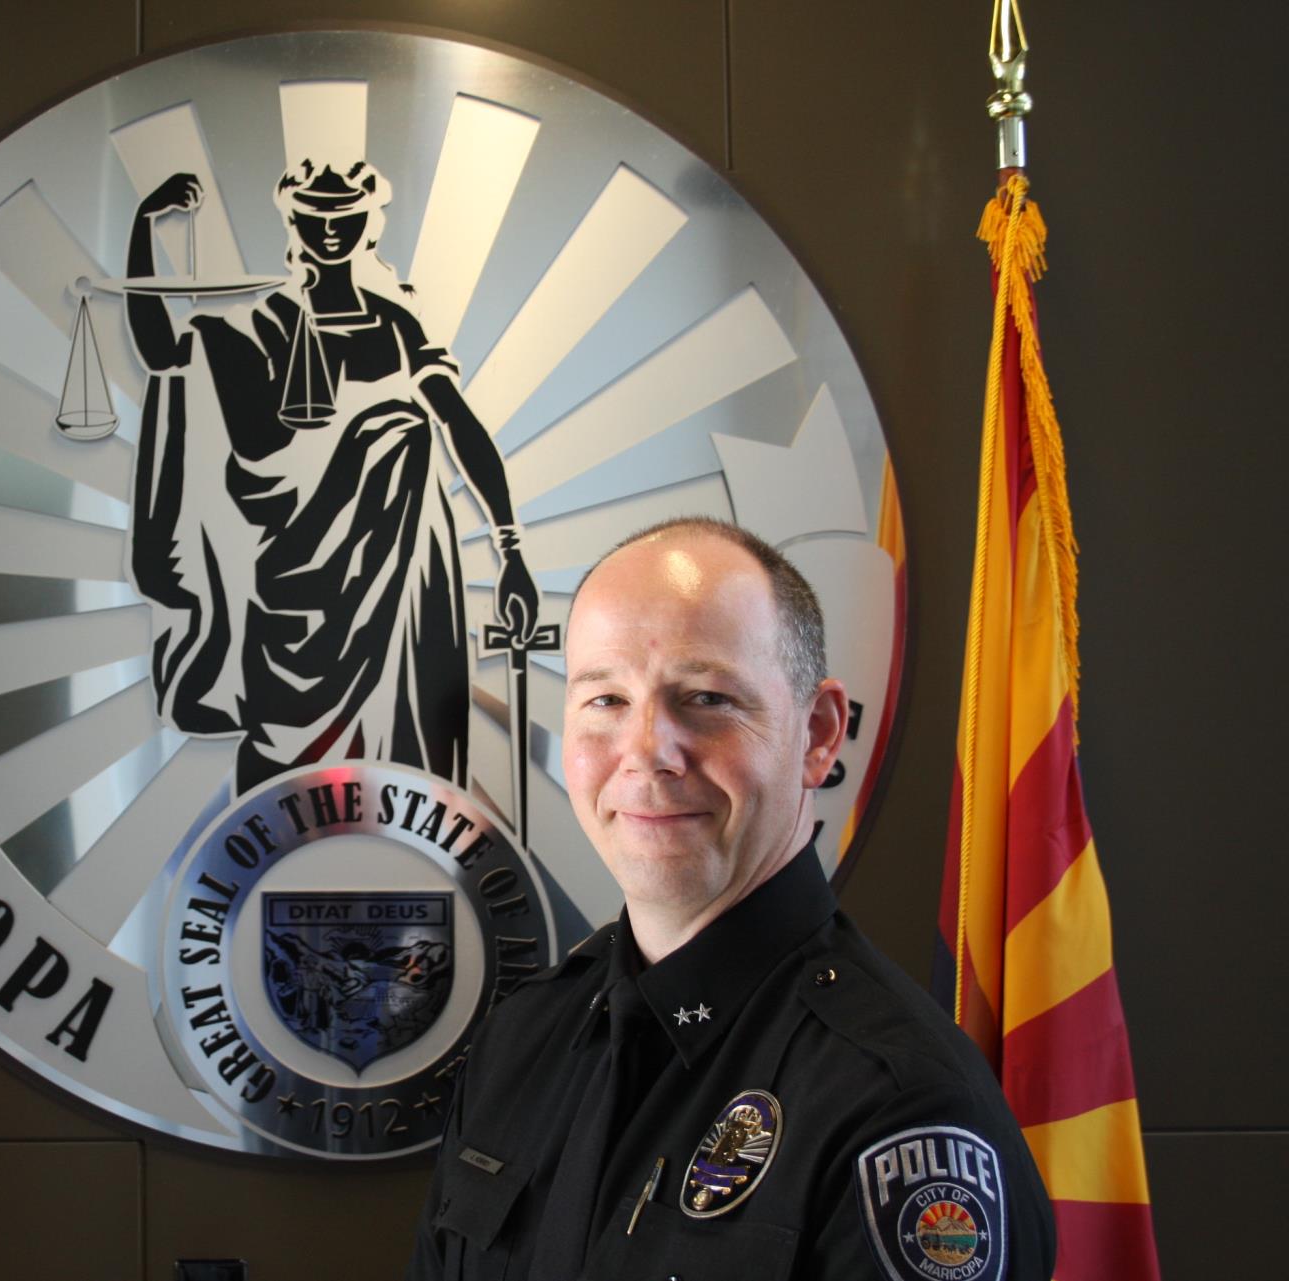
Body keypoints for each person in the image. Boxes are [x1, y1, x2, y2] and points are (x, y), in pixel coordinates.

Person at [408, 516, 1055, 1280]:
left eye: (707, 697)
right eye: (606, 699)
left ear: (818, 733)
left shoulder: (900, 1110)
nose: (646, 751)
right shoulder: (519, 1042)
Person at [123, 160, 537, 794]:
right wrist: (142, 226)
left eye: (345, 215)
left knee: (405, 433)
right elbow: (163, 352)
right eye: (315, 216)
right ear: (295, 223)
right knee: (284, 772)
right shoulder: (262, 324)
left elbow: (459, 425)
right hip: (292, 571)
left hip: (398, 579)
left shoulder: (395, 325)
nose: (331, 228)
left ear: (369, 223)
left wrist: (510, 547)